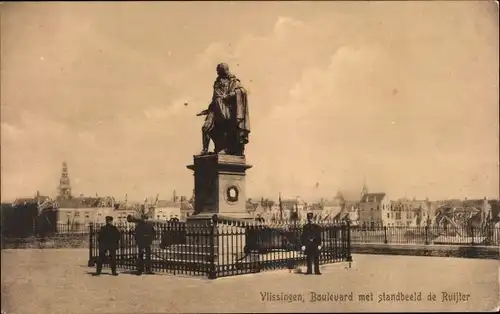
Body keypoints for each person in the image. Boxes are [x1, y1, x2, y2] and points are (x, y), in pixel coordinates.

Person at [197, 63, 250, 156]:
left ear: (224, 70)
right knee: (206, 128)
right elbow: (215, 97)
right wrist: (207, 110)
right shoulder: (217, 82)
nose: (217, 72)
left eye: (219, 70)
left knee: (225, 128)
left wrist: (229, 95)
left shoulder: (234, 80)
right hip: (215, 107)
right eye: (217, 70)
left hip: (227, 108)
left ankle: (225, 149)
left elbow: (242, 91)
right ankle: (205, 150)